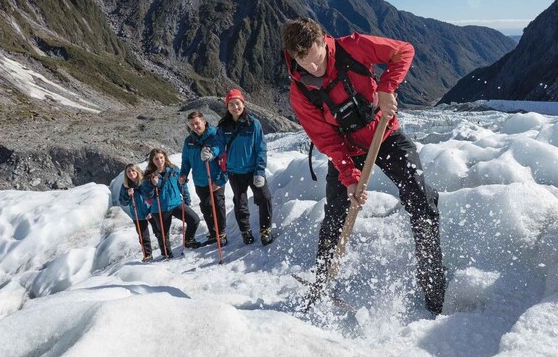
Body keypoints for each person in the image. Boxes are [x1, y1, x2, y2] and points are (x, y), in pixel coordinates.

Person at [281, 17, 446, 315]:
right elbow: (327, 139)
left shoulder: (353, 48)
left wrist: (386, 87)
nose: (315, 70)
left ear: (323, 42)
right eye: (305, 64)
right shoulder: (300, 92)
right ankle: (322, 285)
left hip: (384, 133)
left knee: (421, 199)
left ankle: (433, 286)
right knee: (335, 216)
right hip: (347, 147)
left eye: (318, 61)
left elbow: (403, 51)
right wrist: (350, 176)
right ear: (293, 57)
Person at [217, 89, 274, 246]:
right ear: (227, 107)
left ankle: (265, 230)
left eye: (237, 103)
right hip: (235, 172)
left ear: (243, 104)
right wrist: (211, 151)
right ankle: (245, 231)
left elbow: (260, 148)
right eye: (231, 104)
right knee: (240, 203)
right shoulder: (224, 126)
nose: (235, 107)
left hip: (253, 170)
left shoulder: (253, 124)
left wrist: (260, 171)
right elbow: (218, 145)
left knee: (265, 198)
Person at [180, 112, 228, 246]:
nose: (195, 126)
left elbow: (224, 159)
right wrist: (183, 174)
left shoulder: (215, 136)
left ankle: (221, 232)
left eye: (197, 123)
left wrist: (220, 180)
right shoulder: (189, 141)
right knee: (206, 207)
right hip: (200, 180)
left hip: (214, 179)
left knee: (217, 205)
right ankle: (213, 233)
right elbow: (186, 161)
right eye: (192, 124)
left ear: (204, 121)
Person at [143, 148, 202, 258]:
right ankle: (166, 254)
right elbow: (147, 196)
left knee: (194, 220)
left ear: (165, 157)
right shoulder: (149, 176)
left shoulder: (173, 169)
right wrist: (152, 184)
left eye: (161, 157)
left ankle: (189, 240)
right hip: (160, 208)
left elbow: (181, 185)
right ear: (152, 160)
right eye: (156, 159)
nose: (159, 161)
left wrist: (186, 199)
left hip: (176, 203)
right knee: (163, 234)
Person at [119, 163, 156, 261]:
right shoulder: (125, 186)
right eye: (128, 171)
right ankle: (148, 254)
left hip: (150, 210)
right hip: (137, 213)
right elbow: (123, 202)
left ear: (137, 171)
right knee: (143, 236)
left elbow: (154, 196)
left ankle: (165, 250)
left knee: (158, 230)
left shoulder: (145, 182)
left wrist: (152, 210)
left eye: (133, 170)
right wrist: (127, 194)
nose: (131, 173)